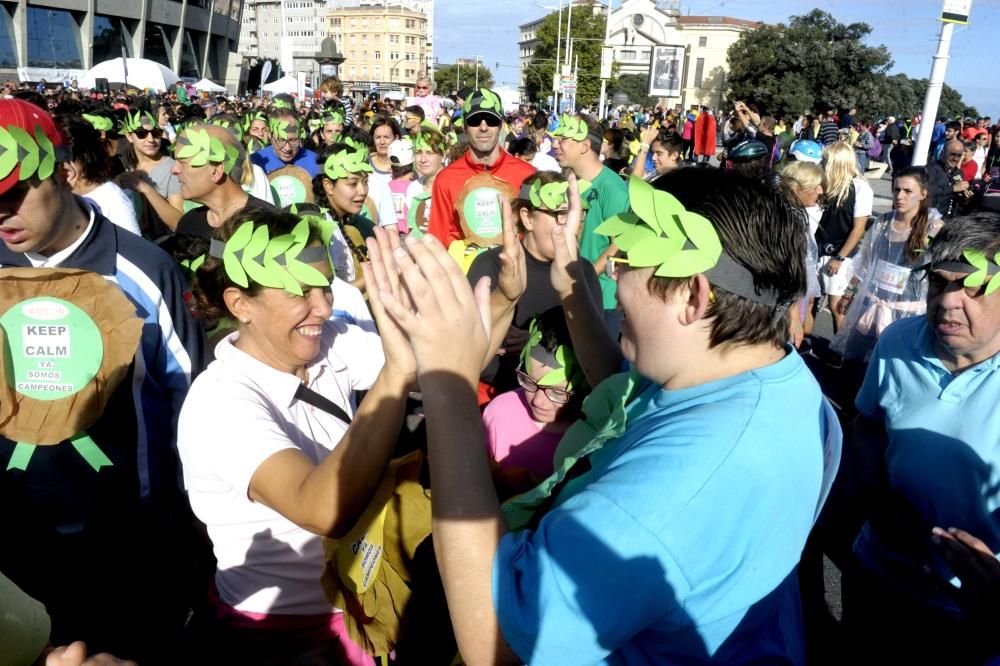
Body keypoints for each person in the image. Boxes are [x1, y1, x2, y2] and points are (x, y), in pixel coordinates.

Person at [368, 167, 840, 664]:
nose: (615, 274)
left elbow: (498, 634)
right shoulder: (771, 378)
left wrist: (449, 385)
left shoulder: (680, 486)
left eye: (630, 260)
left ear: (693, 294)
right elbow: (628, 395)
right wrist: (572, 285)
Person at [0, 99, 206, 660]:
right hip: (15, 542)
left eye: (14, 193)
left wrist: (188, 523)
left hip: (128, 542)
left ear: (64, 172)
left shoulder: (143, 268)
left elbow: (192, 401)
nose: (2, 213)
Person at [178, 207, 416, 665]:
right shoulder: (218, 402)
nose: (324, 308)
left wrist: (504, 294)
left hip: (361, 600)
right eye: (300, 292)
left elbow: (446, 370)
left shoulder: (328, 341)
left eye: (324, 287)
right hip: (283, 636)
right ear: (239, 304)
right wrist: (396, 373)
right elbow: (321, 509)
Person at [842, 212, 1000, 662]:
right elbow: (869, 425)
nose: (949, 302)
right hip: (877, 570)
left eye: (972, 287)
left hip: (968, 608)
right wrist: (877, 496)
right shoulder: (898, 341)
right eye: (938, 283)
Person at [467, 171, 601, 396]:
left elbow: (597, 349)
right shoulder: (491, 266)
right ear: (528, 219)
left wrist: (536, 345)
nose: (573, 225)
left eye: (579, 214)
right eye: (560, 214)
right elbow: (466, 351)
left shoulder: (583, 271)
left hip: (562, 404)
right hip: (497, 397)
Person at [832, 167, 943, 366]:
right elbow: (865, 262)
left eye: (908, 191)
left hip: (905, 313)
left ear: (922, 194)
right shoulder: (883, 222)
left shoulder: (933, 227)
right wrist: (850, 292)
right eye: (896, 189)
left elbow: (938, 273)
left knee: (891, 366)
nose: (900, 196)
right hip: (871, 304)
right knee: (854, 364)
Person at [482, 306, 587, 486]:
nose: (538, 401)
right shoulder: (498, 413)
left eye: (556, 391)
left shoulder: (589, 437)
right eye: (529, 381)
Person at [427, 88, 535, 247]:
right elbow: (437, 240)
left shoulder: (528, 175)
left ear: (501, 126)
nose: (483, 127)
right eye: (475, 120)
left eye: (491, 120)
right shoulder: (446, 179)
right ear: (464, 127)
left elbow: (535, 236)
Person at [552, 112, 629, 334]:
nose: (555, 144)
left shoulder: (612, 188)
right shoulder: (569, 181)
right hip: (574, 292)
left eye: (563, 139)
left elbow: (619, 246)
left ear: (585, 145)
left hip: (603, 300)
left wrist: (585, 277)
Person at [171, 124, 271, 237]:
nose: (174, 170)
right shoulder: (189, 225)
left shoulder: (270, 226)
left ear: (216, 170)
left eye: (183, 162)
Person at [816, 141, 875, 332]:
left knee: (837, 305)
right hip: (818, 249)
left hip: (840, 254)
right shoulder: (826, 184)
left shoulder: (859, 188)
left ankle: (839, 351)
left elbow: (859, 229)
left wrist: (840, 257)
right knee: (810, 300)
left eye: (826, 160)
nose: (823, 163)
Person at [57, 115, 140, 235]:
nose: (60, 165)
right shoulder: (54, 193)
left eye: (65, 156)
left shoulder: (111, 198)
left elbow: (133, 248)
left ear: (85, 154)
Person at [313, 143, 376, 290]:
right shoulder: (319, 228)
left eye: (365, 182)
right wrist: (374, 273)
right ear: (328, 186)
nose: (363, 191)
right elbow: (328, 296)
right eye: (353, 183)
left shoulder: (358, 224)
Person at [776, 158, 825, 345]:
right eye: (816, 186)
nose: (820, 191)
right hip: (786, 305)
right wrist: (794, 317)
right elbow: (787, 271)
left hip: (793, 300)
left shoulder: (792, 213)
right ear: (797, 190)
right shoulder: (789, 220)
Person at [116, 109, 184, 238]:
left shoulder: (172, 169)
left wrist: (147, 190)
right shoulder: (127, 164)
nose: (151, 139)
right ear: (129, 137)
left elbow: (178, 222)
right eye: (142, 134)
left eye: (156, 133)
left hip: (162, 244)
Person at [250, 109, 319, 177]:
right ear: (270, 135)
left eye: (293, 140)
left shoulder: (316, 162)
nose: (287, 148)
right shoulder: (254, 163)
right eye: (281, 140)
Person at [926, 138, 971, 219]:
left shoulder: (959, 173)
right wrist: (953, 188)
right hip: (930, 218)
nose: (956, 159)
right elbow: (927, 191)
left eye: (959, 155)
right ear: (943, 153)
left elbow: (958, 202)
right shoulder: (930, 169)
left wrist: (964, 197)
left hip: (950, 220)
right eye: (952, 154)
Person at [367, 115, 401, 190]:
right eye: (378, 137)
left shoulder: (405, 165)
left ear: (396, 138)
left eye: (386, 137)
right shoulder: (365, 164)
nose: (382, 142)